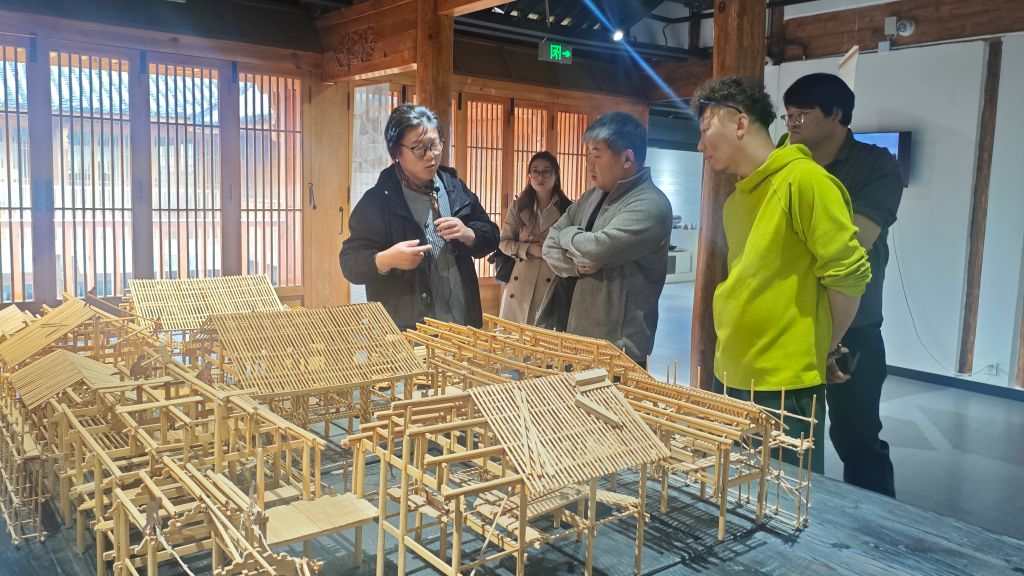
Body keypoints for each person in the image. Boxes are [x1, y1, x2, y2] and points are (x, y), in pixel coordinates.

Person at [693, 77, 871, 473]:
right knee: (735, 491)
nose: (700, 145)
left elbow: (849, 277)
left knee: (784, 497)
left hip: (784, 384)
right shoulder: (736, 200)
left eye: (705, 130)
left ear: (740, 123)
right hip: (731, 372)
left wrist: (825, 348)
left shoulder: (804, 180)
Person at [782, 73, 903, 496]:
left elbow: (854, 239)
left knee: (856, 439)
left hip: (854, 326)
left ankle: (875, 527)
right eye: (787, 115)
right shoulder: (786, 161)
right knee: (787, 435)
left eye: (802, 114)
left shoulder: (876, 165)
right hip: (792, 320)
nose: (792, 124)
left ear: (836, 115)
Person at [339, 104, 499, 330]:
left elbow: (491, 233)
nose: (430, 155)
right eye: (418, 148)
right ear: (396, 152)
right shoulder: (378, 200)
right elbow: (349, 262)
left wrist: (469, 234)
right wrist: (385, 260)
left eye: (434, 144)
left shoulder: (453, 187)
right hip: (409, 329)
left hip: (462, 322)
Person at [542, 112, 672, 368]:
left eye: (596, 154)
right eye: (587, 154)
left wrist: (568, 234)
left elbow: (595, 250)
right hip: (576, 334)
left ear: (627, 158)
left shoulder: (650, 205)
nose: (589, 163)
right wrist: (577, 267)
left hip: (618, 347)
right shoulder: (592, 196)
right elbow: (549, 245)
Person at [498, 151, 572, 325]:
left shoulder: (568, 209)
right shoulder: (518, 206)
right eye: (535, 171)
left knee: (541, 338)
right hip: (519, 286)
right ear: (529, 175)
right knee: (512, 338)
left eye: (546, 171)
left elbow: (573, 248)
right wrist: (529, 249)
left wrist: (548, 248)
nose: (540, 176)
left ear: (556, 176)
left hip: (550, 284)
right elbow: (503, 243)